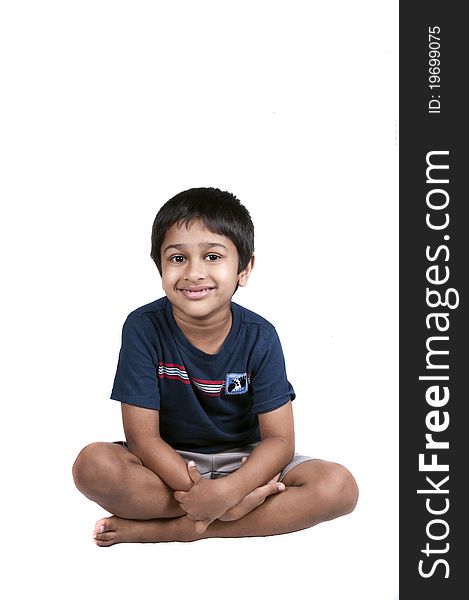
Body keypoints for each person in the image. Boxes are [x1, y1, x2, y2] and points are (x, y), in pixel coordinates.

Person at [72, 187, 359, 546]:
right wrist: (208, 493)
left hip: (247, 463)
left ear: (244, 268)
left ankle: (172, 530)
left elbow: (280, 440)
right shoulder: (142, 327)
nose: (194, 273)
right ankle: (226, 513)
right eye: (177, 258)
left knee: (339, 487)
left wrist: (231, 490)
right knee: (93, 465)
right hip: (168, 465)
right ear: (159, 265)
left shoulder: (260, 336)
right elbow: (142, 438)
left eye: (212, 256)